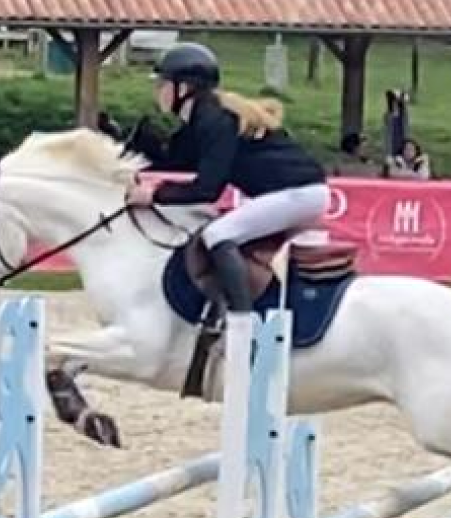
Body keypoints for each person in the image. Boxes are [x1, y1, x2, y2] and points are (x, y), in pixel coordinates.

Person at [125, 42, 329, 314]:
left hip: (298, 194)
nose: (157, 91)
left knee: (217, 234)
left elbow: (208, 189)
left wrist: (154, 194)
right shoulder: (201, 117)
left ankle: (240, 320)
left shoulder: (215, 119)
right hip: (294, 193)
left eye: (162, 83)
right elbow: (176, 160)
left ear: (183, 88)